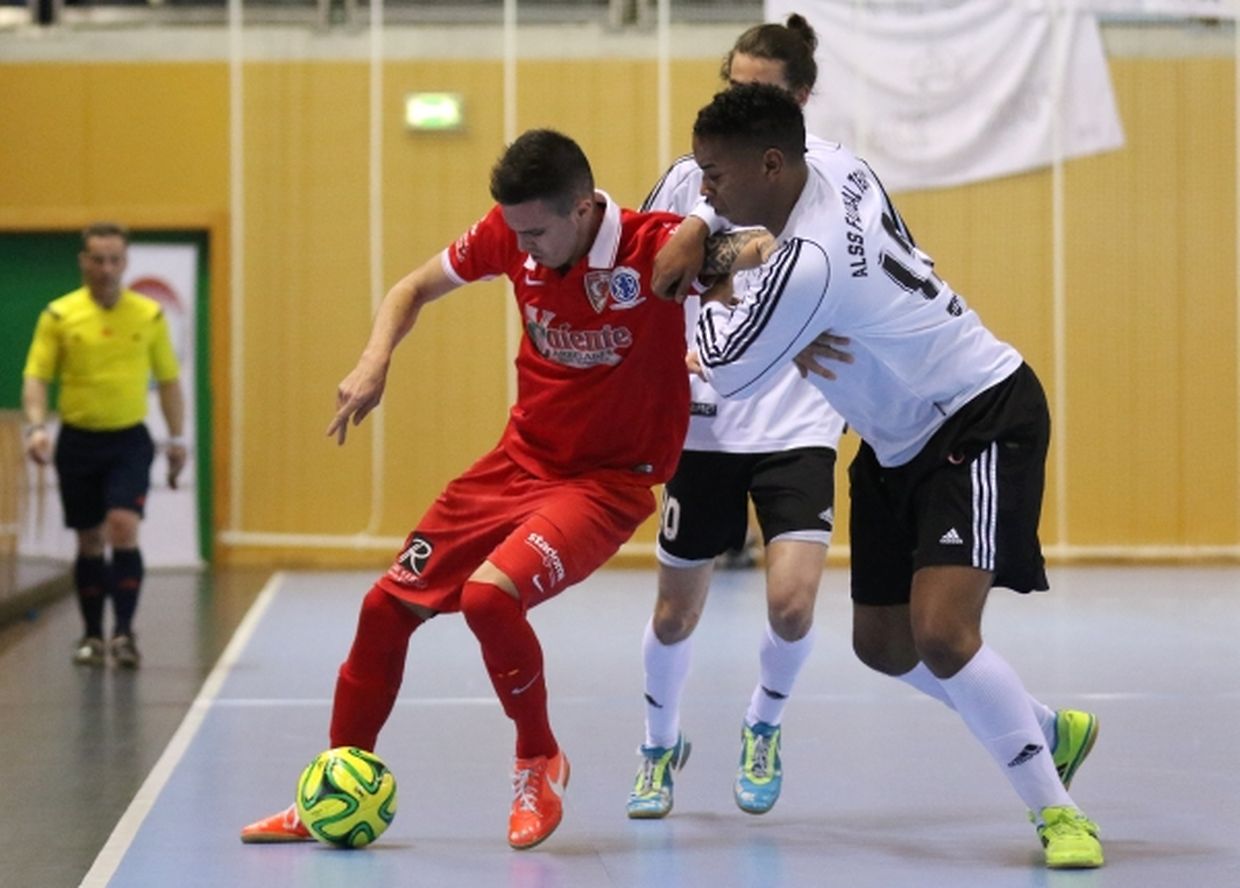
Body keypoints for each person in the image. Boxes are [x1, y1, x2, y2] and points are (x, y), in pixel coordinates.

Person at [238, 129, 763, 851]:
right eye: (513, 230)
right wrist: (373, 361)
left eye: (536, 230)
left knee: (489, 597)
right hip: (518, 462)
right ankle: (334, 781)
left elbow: (759, 246)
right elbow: (413, 287)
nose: (523, 246)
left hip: (606, 484)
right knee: (383, 608)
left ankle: (538, 758)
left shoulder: (654, 246)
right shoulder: (509, 235)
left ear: (582, 208)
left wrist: (709, 238)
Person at [658, 84, 1103, 869]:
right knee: (883, 645)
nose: (705, 194)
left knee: (940, 633)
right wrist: (723, 250)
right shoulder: (837, 164)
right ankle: (1041, 725)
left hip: (976, 414)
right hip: (898, 440)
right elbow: (755, 252)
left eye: (715, 176)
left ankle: (1060, 815)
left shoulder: (812, 264)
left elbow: (726, 371)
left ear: (770, 163)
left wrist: (711, 279)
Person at [626, 15, 847, 821]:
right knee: (674, 610)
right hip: (706, 423)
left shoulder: (830, 181)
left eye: (762, 93)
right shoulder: (693, 176)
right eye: (734, 87)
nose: (743, 103)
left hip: (797, 419)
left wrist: (722, 255)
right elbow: (650, 270)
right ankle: (658, 744)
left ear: (800, 100)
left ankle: (763, 724)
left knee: (791, 604)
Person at [21, 222, 187, 670]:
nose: (106, 268)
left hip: (128, 440)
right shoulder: (59, 316)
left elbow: (170, 383)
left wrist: (176, 438)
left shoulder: (147, 316)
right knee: (90, 539)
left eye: (115, 259)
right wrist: (36, 427)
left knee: (122, 526)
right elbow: (36, 377)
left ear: (126, 262)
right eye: (98, 259)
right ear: (84, 262)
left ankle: (125, 635)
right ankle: (93, 636)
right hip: (77, 440)